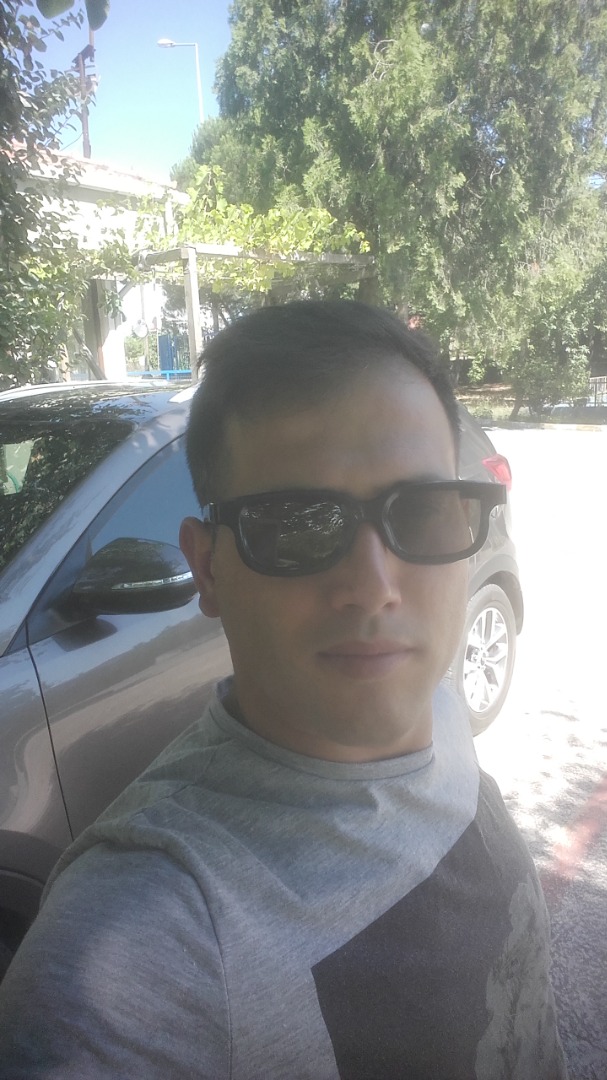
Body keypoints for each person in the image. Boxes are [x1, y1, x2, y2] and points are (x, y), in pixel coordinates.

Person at [0, 301, 567, 1079]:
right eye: (297, 523)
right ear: (207, 568)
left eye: (423, 511)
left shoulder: (437, 709)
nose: (373, 588)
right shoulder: (134, 947)